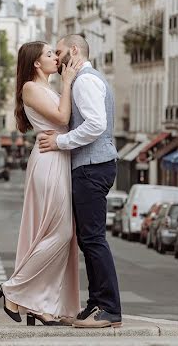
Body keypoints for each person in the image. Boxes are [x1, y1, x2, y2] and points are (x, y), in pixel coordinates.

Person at [37, 34, 122, 329]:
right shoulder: (88, 78)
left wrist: (61, 142)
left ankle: (109, 308)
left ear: (74, 50)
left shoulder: (85, 80)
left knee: (94, 239)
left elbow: (96, 125)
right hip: (94, 165)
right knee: (89, 240)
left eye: (59, 52)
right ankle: (97, 302)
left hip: (92, 167)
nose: (57, 58)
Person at [0, 41, 81, 326]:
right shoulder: (31, 88)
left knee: (52, 234)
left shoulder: (47, 88)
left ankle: (40, 304)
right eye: (49, 54)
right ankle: (14, 288)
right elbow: (62, 117)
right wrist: (68, 82)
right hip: (49, 160)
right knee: (62, 232)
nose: (56, 57)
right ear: (35, 63)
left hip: (58, 157)